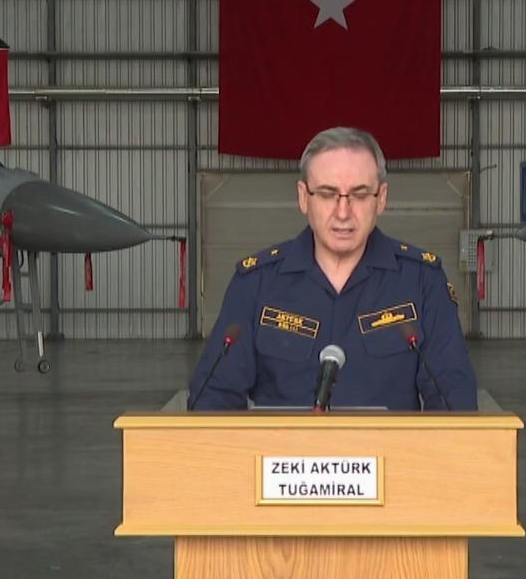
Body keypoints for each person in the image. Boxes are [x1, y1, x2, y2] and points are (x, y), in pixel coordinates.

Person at [188, 126, 477, 411]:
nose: (343, 213)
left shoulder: (422, 281)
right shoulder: (256, 283)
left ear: (381, 199)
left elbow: (454, 397)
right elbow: (213, 397)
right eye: (327, 194)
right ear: (303, 197)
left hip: (388, 445)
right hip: (283, 444)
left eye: (359, 195)